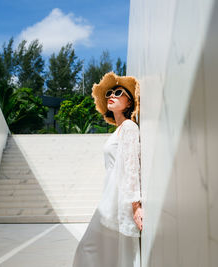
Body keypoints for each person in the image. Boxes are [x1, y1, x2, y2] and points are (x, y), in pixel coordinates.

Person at [73, 72, 143, 267]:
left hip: (119, 203)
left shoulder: (129, 126)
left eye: (119, 92)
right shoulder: (119, 129)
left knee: (89, 249)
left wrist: (136, 207)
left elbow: (132, 166)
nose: (112, 95)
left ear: (129, 103)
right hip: (110, 199)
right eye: (109, 93)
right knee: (104, 255)